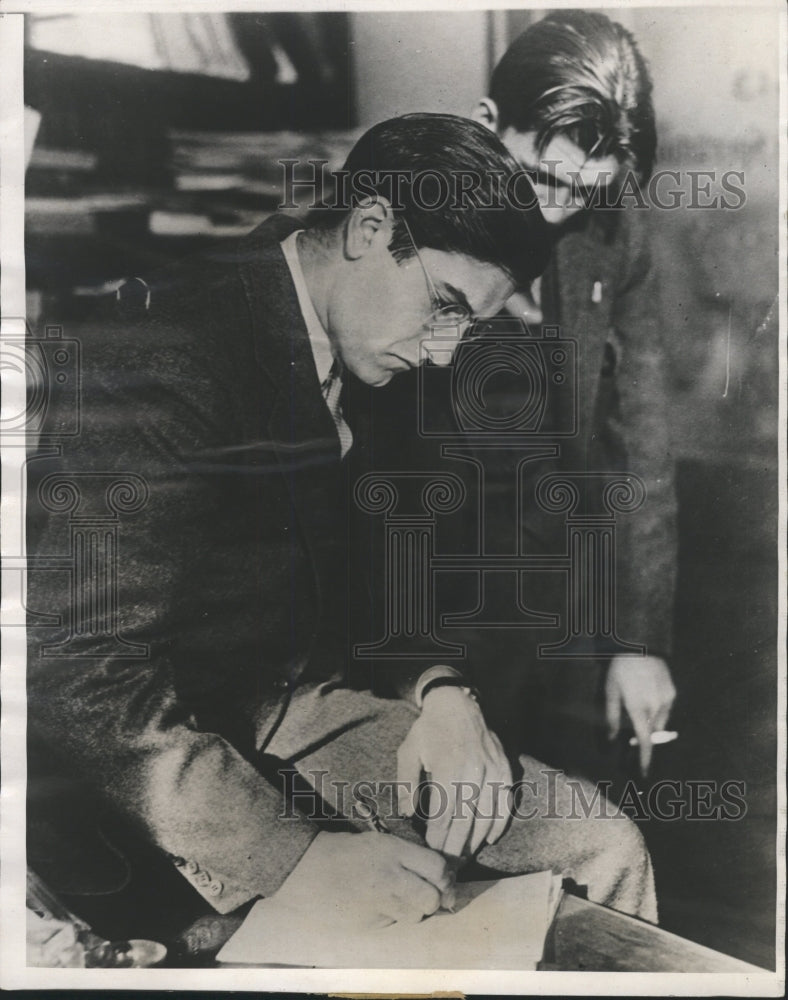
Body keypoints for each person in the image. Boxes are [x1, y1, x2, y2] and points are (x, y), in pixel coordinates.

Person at [27, 114, 656, 942]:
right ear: (369, 229)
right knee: (370, 932)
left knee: (604, 845)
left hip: (288, 707)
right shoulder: (168, 349)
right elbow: (79, 672)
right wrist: (300, 858)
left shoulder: (369, 343)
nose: (442, 353)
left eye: (464, 326)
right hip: (149, 764)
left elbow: (373, 566)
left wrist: (441, 690)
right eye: (444, 307)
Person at [468, 10, 677, 777]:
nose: (557, 212)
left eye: (585, 193)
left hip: (560, 596)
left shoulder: (614, 226)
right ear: (487, 126)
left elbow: (640, 450)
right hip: (421, 605)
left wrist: (637, 640)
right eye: (543, 179)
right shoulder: (400, 221)